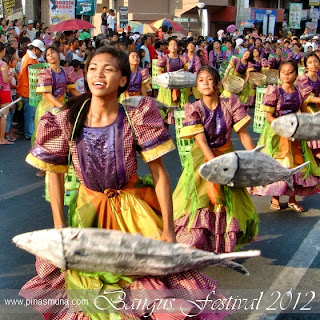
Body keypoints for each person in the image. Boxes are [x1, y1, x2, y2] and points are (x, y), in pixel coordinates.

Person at [22, 46, 230, 320]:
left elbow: (160, 175)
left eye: (108, 69)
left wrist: (168, 229)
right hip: (89, 214)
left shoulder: (136, 116)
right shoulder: (65, 119)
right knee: (94, 292)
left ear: (122, 80)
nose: (99, 74)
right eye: (93, 68)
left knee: (148, 289)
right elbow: (54, 174)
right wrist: (60, 229)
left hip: (134, 216)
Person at [173, 66, 259, 253]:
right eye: (201, 80)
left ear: (218, 83)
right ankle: (193, 242)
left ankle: (221, 245)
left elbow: (242, 134)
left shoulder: (230, 103)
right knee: (199, 200)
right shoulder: (193, 108)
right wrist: (214, 165)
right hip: (203, 159)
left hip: (226, 155)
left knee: (226, 202)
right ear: (196, 86)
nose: (205, 83)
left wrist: (255, 156)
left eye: (209, 79)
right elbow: (201, 141)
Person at [249, 60, 320, 212]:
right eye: (284, 72)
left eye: (290, 72)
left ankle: (292, 199)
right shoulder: (274, 91)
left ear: (296, 74)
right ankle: (275, 197)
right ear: (279, 74)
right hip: (276, 133)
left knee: (296, 166)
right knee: (279, 165)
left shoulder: (300, 92)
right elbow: (268, 116)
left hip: (295, 134)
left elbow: (303, 110)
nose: (287, 75)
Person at [16, 39, 45, 140]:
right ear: (35, 49)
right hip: (28, 91)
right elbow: (33, 77)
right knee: (30, 114)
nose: (42, 53)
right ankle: (29, 134)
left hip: (28, 90)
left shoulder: (29, 58)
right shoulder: (29, 60)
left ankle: (30, 132)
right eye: (41, 51)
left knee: (30, 113)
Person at [156, 38, 188, 124]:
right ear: (168, 47)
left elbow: (186, 72)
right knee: (165, 115)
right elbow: (160, 72)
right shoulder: (164, 58)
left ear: (177, 47)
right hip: (167, 89)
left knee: (178, 115)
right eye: (171, 44)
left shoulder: (182, 59)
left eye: (175, 44)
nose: (173, 46)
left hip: (178, 88)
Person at [296, 52, 320, 160]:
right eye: (310, 62)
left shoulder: (319, 78)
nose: (313, 64)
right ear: (306, 66)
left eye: (315, 61)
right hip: (305, 109)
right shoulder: (303, 79)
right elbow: (306, 98)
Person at [0, 42, 16, 145]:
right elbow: (5, 80)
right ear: (3, 50)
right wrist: (13, 75)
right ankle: (1, 139)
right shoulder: (3, 64)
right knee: (3, 116)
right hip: (4, 91)